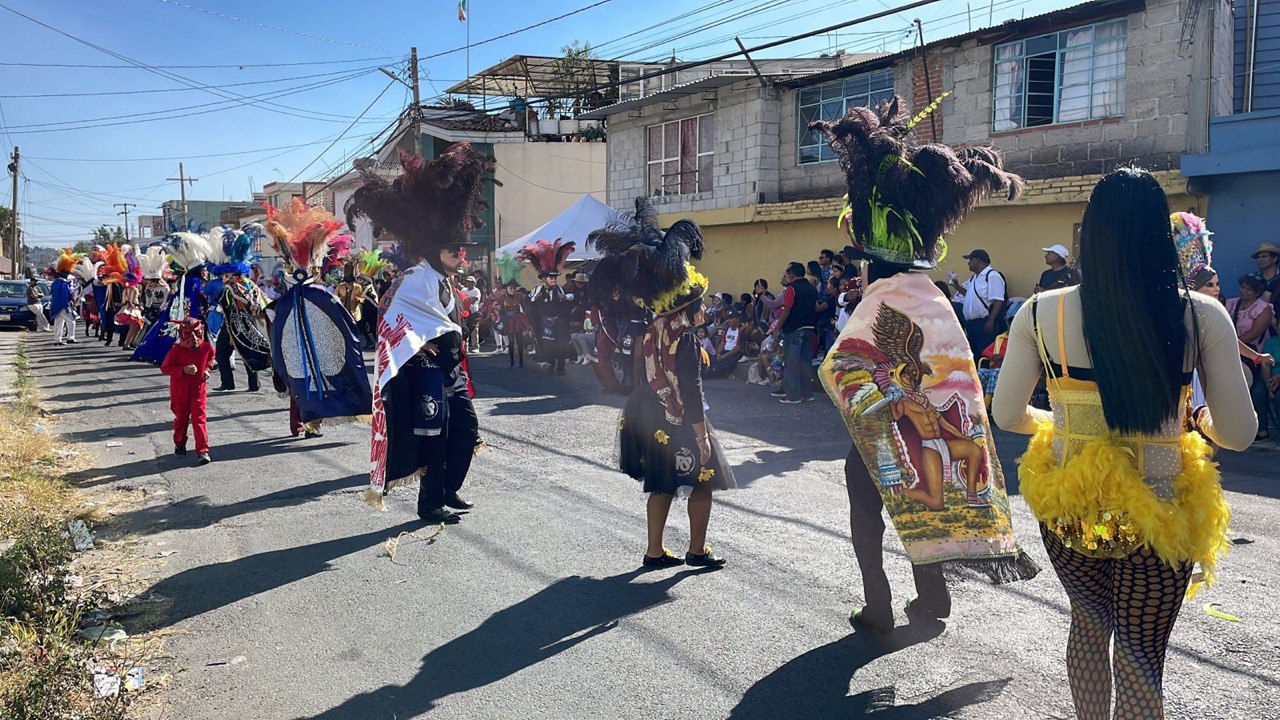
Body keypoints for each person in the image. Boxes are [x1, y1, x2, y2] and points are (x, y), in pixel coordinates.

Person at [993, 168, 1256, 720]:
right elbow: (1238, 434)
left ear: (1092, 235)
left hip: (1070, 506)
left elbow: (1007, 414)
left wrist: (1061, 421)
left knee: (1088, 629)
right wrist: (1197, 414)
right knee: (1141, 653)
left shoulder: (1040, 312)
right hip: (1161, 507)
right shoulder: (1200, 314)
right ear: (1159, 235)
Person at [811, 94, 1037, 633]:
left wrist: (873, 394)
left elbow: (837, 369)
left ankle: (878, 606)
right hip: (934, 435)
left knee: (867, 514)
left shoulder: (881, 300)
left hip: (886, 435)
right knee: (925, 507)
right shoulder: (936, 300)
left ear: (873, 258)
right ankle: (933, 600)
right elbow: (956, 377)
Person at [347, 143, 490, 524]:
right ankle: (429, 504)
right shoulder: (414, 279)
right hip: (426, 369)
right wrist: (426, 346)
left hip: (451, 370)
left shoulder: (445, 280)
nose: (461, 254)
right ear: (434, 249)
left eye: (462, 249)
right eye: (455, 249)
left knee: (466, 428)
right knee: (434, 436)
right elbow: (389, 318)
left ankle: (449, 490)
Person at [593, 199, 736, 568]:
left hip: (648, 412)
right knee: (702, 482)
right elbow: (692, 389)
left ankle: (654, 551)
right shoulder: (684, 337)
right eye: (701, 303)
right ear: (688, 305)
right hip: (678, 417)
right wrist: (701, 434)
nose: (705, 308)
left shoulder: (654, 328)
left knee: (662, 485)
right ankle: (697, 550)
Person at [263, 199, 371, 440]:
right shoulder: (289, 301)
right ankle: (307, 423)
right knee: (299, 384)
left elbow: (344, 323)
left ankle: (311, 422)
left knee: (310, 384)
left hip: (323, 355)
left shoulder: (318, 296)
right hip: (297, 356)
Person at [161, 317, 216, 466]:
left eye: (196, 334)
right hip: (180, 390)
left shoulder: (205, 347)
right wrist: (182, 370)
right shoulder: (176, 350)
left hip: (198, 388)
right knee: (181, 419)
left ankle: (202, 450)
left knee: (199, 418)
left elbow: (212, 357)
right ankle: (179, 443)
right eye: (188, 334)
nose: (192, 338)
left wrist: (207, 369)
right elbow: (165, 368)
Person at [1226, 274, 1275, 441]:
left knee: (1258, 390)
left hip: (1256, 356)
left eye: (1248, 289)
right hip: (1231, 353)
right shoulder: (1231, 304)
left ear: (1256, 292)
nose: (1243, 291)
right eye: (1242, 287)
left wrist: (1230, 344)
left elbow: (1254, 333)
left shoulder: (1264, 308)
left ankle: (1261, 428)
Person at [520, 239, 576, 375]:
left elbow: (571, 297)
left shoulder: (559, 289)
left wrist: (565, 298)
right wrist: (535, 299)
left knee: (561, 344)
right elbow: (529, 300)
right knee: (548, 345)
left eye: (555, 278)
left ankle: (561, 367)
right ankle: (551, 364)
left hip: (559, 321)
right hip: (545, 322)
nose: (553, 280)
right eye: (551, 278)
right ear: (545, 279)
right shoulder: (538, 289)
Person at [770, 261, 818, 404]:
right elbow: (815, 307)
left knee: (792, 363)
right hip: (809, 327)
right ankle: (807, 393)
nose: (786, 276)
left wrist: (777, 327)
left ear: (792, 275)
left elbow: (786, 311)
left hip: (794, 329)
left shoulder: (791, 289)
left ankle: (792, 395)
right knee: (805, 362)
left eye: (787, 274)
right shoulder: (812, 288)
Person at [948, 249, 1007, 359]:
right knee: (975, 355)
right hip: (972, 324)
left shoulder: (992, 276)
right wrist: (956, 286)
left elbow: (999, 300)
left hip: (984, 323)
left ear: (978, 260)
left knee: (983, 355)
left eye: (970, 260)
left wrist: (990, 321)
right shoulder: (974, 278)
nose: (968, 263)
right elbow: (970, 295)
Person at [492, 281, 531, 367]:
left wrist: (526, 317)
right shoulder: (502, 297)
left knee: (519, 340)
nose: (513, 290)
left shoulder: (519, 296)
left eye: (514, 288)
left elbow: (524, 306)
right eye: (511, 288)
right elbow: (500, 309)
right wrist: (497, 311)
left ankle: (521, 362)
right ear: (507, 288)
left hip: (517, 318)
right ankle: (511, 360)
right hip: (508, 319)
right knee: (511, 341)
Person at [460, 275, 482, 353]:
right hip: (465, 312)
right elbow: (460, 300)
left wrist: (466, 299)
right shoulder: (463, 290)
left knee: (474, 330)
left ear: (474, 283)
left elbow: (473, 300)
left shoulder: (476, 291)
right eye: (468, 281)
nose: (469, 283)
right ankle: (465, 347)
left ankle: (475, 347)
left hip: (473, 312)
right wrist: (467, 299)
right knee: (465, 329)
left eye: (471, 282)